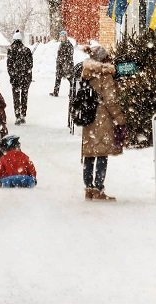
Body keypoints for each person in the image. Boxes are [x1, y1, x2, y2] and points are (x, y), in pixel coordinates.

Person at [81, 45, 126, 201]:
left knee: (89, 153)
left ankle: (88, 188)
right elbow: (111, 100)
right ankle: (99, 189)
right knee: (101, 153)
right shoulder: (105, 74)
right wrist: (119, 118)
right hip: (102, 119)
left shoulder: (86, 73)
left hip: (89, 116)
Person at [6, 30, 33, 125]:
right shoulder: (27, 50)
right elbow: (30, 65)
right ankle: (23, 115)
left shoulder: (11, 50)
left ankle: (17, 115)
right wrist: (26, 72)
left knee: (16, 97)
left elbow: (9, 65)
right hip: (25, 78)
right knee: (24, 96)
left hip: (15, 78)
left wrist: (12, 75)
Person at [50, 29, 74, 96]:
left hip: (67, 65)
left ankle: (72, 93)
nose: (61, 37)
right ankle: (55, 92)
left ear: (66, 37)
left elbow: (69, 56)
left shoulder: (69, 45)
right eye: (61, 36)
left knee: (71, 80)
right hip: (60, 65)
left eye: (63, 36)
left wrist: (64, 61)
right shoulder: (61, 44)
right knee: (58, 78)